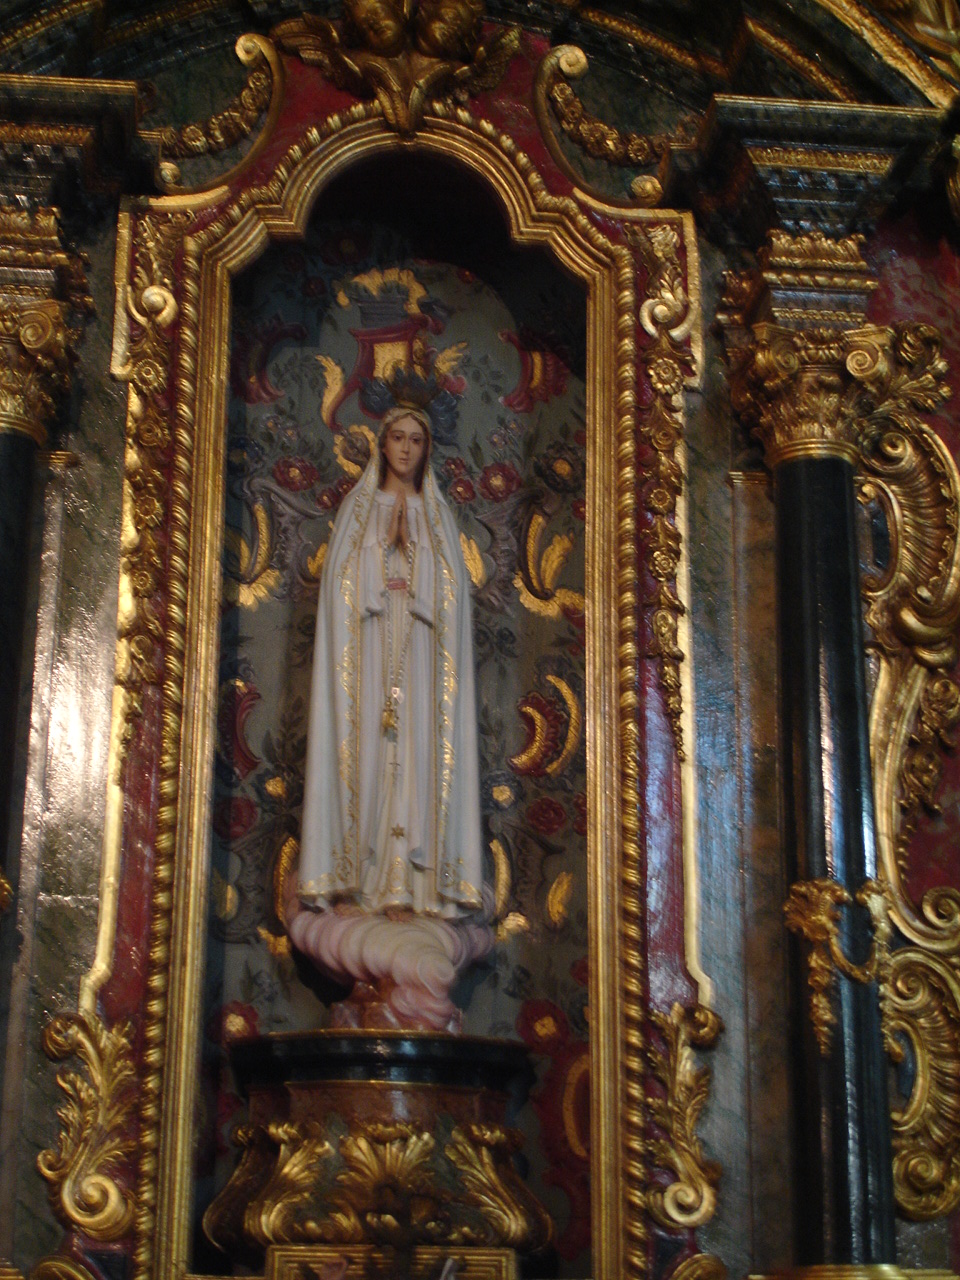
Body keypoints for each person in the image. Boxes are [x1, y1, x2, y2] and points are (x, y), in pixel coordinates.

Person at [287, 405, 490, 1030]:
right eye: (397, 438)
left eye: (415, 440)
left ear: (427, 450)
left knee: (418, 769)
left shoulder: (436, 515)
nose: (405, 449)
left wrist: (418, 556)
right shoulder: (359, 511)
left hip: (422, 667)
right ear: (383, 445)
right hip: (369, 661)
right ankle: (363, 887)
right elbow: (341, 590)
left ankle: (414, 891)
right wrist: (381, 553)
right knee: (372, 766)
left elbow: (452, 597)